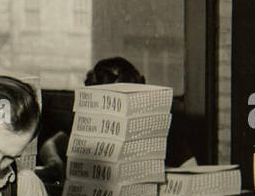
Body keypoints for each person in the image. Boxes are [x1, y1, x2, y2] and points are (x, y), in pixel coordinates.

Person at [38, 56, 194, 178]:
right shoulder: (91, 123)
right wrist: (54, 161)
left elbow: (191, 167)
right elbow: (50, 144)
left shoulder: (162, 130)